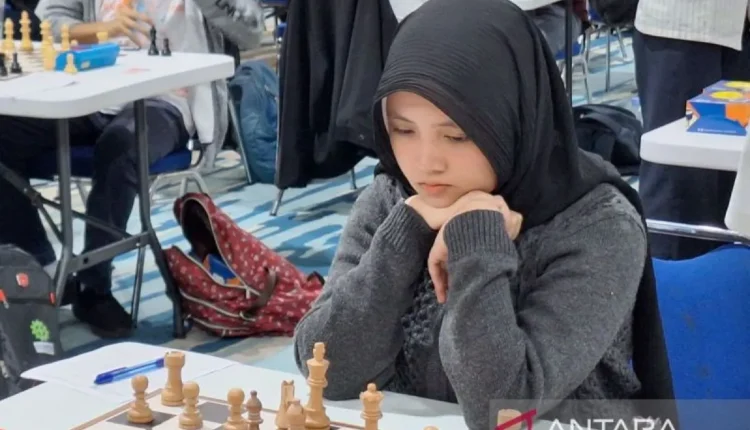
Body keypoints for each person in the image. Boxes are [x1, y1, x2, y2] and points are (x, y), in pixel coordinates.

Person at [293, 0, 677, 428]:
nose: (426, 162)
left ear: (512, 119)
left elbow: (501, 409)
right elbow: (326, 371)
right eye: (403, 130)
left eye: (457, 135)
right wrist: (403, 239)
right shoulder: (393, 200)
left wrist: (476, 236)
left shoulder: (597, 225)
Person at [0, 0, 263, 338]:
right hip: (87, 91)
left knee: (121, 146)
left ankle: (94, 287)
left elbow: (252, 33)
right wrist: (99, 30)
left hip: (168, 101)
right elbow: (50, 19)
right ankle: (43, 267)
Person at [633, 0, 750, 260]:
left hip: (741, 28)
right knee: (677, 185)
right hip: (682, 28)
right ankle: (661, 280)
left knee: (738, 183)